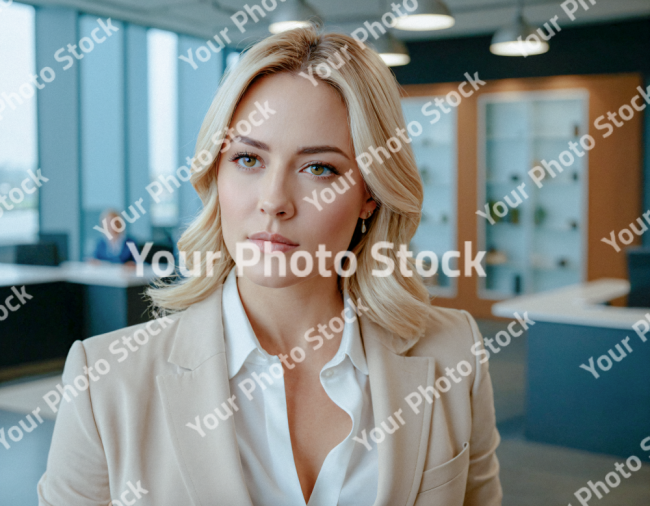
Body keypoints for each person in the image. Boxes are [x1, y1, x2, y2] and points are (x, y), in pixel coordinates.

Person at [37, 25, 502, 506]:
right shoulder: (107, 380)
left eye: (319, 167)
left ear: (370, 194)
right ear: (216, 174)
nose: (274, 201)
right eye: (248, 158)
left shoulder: (455, 352)